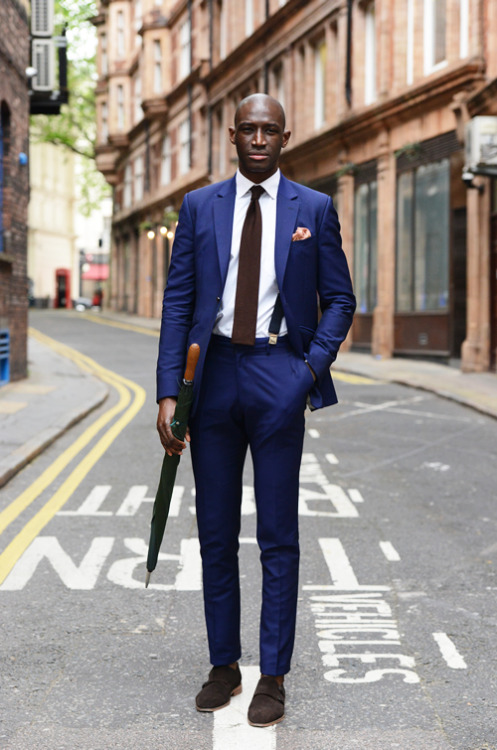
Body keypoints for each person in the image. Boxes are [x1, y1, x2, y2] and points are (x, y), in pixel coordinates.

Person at [156, 93, 355, 727]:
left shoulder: (314, 209)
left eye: (271, 130)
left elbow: (341, 301)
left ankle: (272, 673)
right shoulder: (199, 206)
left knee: (277, 535)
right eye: (250, 129)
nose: (260, 139)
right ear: (233, 137)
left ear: (285, 137)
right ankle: (223, 664)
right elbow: (177, 302)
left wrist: (306, 371)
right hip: (211, 376)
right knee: (214, 532)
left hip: (278, 374)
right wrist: (168, 392)